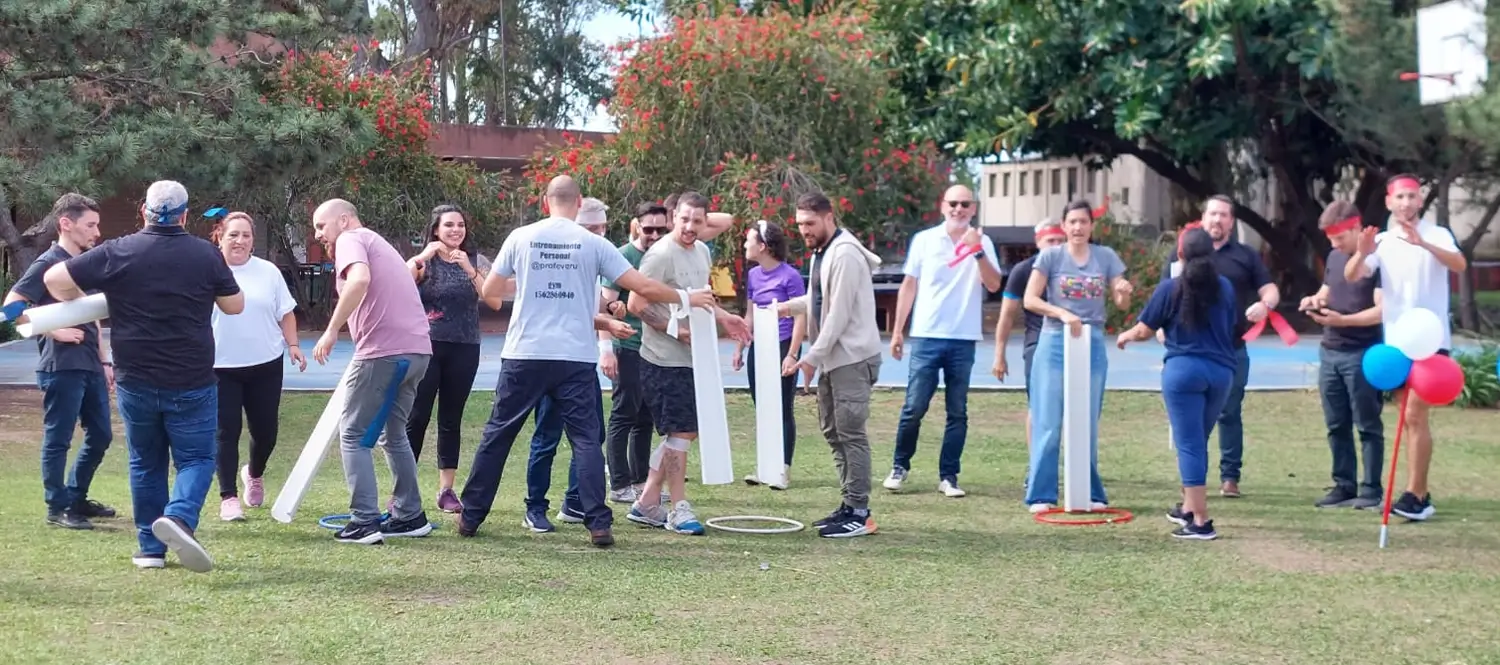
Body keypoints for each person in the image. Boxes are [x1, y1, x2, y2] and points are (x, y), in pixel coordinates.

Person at [456, 176, 720, 547]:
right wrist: (687, 297)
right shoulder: (592, 242)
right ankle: (598, 524)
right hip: (574, 357)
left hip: (525, 353)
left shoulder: (520, 237)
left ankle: (471, 516)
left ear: (545, 202)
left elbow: (490, 293)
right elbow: (641, 287)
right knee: (585, 441)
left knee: (498, 435)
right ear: (578, 202)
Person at [43, 180, 243, 572]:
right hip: (191, 378)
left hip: (135, 377)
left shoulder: (118, 251)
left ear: (144, 213)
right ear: (185, 215)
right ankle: (181, 517)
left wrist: (79, 301)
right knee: (198, 458)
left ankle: (150, 549)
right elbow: (234, 305)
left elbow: (53, 281)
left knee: (145, 462)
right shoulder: (205, 254)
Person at [624, 191, 751, 535]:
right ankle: (678, 507)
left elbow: (700, 298)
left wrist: (726, 317)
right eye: (684, 219)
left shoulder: (702, 251)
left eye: (697, 221)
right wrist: (673, 330)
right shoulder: (660, 254)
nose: (690, 227)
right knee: (679, 432)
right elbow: (636, 304)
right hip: (661, 361)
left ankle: (647, 502)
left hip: (695, 359)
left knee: (686, 431)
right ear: (671, 217)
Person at [310, 199, 435, 545]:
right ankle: (410, 516)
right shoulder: (379, 243)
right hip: (417, 352)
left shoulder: (352, 239)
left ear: (344, 219)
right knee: (393, 434)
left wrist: (332, 329)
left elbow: (360, 280)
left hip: (384, 354)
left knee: (352, 435)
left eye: (322, 226)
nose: (318, 234)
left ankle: (364, 521)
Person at [1344, 174, 1467, 521]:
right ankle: (1420, 493)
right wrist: (1361, 252)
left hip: (1431, 340)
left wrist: (1423, 245)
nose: (1406, 203)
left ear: (1420, 200)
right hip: (1397, 342)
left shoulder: (1437, 234)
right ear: (1389, 202)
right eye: (1400, 197)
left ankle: (1416, 494)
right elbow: (1354, 275)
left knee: (1416, 414)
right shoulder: (1382, 240)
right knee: (1408, 419)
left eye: (1412, 196)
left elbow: (1459, 264)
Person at [4, 193, 117, 531]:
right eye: (90, 225)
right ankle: (58, 507)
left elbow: (93, 312)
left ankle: (76, 496)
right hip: (61, 366)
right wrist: (52, 329)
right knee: (59, 438)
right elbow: (11, 307)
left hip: (91, 365)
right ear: (65, 224)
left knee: (101, 435)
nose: (96, 232)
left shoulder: (81, 265)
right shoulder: (47, 263)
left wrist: (105, 360)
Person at [1115, 228, 1237, 540]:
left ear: (1179, 255)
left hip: (1183, 372)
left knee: (1189, 445)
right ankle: (1188, 505)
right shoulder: (1225, 288)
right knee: (1199, 440)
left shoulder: (1171, 288)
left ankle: (1200, 520)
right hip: (1222, 373)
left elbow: (1144, 329)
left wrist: (1126, 335)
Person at [885, 185, 1002, 497]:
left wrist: (976, 250)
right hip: (926, 336)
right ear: (943, 206)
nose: (959, 209)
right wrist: (898, 330)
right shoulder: (925, 240)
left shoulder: (983, 242)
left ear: (973, 208)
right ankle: (900, 466)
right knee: (914, 406)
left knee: (957, 410)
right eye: (953, 203)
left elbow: (993, 283)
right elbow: (909, 285)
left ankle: (949, 476)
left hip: (963, 338)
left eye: (965, 204)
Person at [778, 192, 884, 537]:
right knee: (832, 430)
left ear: (829, 217)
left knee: (851, 432)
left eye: (810, 223)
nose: (804, 231)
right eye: (799, 225)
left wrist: (809, 358)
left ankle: (860, 511)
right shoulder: (821, 252)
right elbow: (819, 297)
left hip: (852, 358)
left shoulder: (845, 254)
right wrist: (786, 307)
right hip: (835, 359)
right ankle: (849, 502)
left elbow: (837, 315)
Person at [1021, 199, 1133, 513]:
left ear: (1091, 226)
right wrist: (1062, 313)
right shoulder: (1051, 256)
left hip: (1092, 340)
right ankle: (1041, 494)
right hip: (1056, 338)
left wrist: (1123, 291)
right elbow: (1030, 299)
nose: (1078, 228)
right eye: (1072, 222)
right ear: (1064, 225)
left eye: (1083, 222)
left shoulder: (1106, 257)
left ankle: (1090, 491)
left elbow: (1121, 304)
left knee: (1086, 420)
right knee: (1049, 420)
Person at [523, 196, 616, 532]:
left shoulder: (594, 254)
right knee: (547, 436)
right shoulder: (553, 258)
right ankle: (535, 508)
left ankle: (577, 502)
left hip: (580, 362)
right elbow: (566, 312)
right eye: (591, 228)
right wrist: (607, 326)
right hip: (549, 359)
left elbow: (601, 302)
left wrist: (611, 312)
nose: (598, 234)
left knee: (591, 437)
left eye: (602, 227)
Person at [210, 212, 307, 522]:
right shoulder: (207, 271)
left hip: (265, 364)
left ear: (253, 241)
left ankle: (253, 473)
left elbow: (286, 313)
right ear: (220, 237)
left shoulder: (267, 272)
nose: (240, 241)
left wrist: (292, 345)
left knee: (266, 433)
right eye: (233, 235)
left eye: (246, 236)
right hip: (219, 367)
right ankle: (228, 497)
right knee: (226, 431)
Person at [404, 204, 490, 515]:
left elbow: (493, 298)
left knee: (450, 420)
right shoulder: (424, 263)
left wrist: (469, 268)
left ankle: (446, 490)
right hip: (428, 347)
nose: (456, 230)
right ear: (436, 230)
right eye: (449, 225)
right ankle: (404, 490)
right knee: (417, 417)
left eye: (460, 225)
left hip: (465, 348)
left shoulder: (475, 261)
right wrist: (425, 255)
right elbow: (399, 282)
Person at [1303, 201, 1385, 509]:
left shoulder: (1376, 261)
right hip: (1330, 351)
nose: (1334, 245)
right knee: (1336, 423)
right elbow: (1326, 291)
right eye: (1331, 240)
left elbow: (1381, 310)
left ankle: (1371, 488)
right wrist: (1313, 301)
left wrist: (1343, 321)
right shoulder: (1335, 258)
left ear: (1356, 228)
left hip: (1362, 352)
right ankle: (1343, 484)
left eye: (1339, 238)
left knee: (1367, 424)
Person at [1197, 196, 1280, 498]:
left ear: (1231, 222)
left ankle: (1230, 477)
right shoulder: (1187, 252)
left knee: (1229, 412)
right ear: (1203, 218)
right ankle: (1193, 477)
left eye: (1223, 215)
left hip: (1232, 349)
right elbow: (1170, 287)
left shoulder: (1246, 256)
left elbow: (1270, 289)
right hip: (1193, 348)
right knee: (1195, 415)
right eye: (1212, 214)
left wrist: (1265, 304)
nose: (1217, 220)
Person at [598, 202, 671, 505]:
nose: (654, 234)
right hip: (627, 347)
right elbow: (604, 305)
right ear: (636, 226)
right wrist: (606, 350)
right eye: (648, 228)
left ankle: (641, 481)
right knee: (624, 414)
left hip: (655, 349)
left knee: (646, 418)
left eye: (660, 228)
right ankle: (619, 483)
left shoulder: (667, 255)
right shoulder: (623, 256)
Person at [732, 220, 807, 489]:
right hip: (759, 347)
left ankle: (783, 468)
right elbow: (749, 315)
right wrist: (740, 347)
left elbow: (801, 317)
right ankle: (765, 465)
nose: (744, 245)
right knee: (761, 405)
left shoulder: (791, 277)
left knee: (782, 407)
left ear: (763, 246)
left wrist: (792, 354)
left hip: (783, 345)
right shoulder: (753, 276)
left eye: (748, 241)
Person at [991, 219, 1066, 485]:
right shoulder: (1023, 272)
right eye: (1050, 241)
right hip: (1038, 343)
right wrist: (999, 353)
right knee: (1039, 405)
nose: (1056, 246)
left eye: (1060, 240)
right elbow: (1007, 315)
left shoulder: (1076, 270)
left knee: (1071, 408)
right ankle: (1036, 466)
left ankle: (1073, 466)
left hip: (1073, 343)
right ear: (1038, 243)